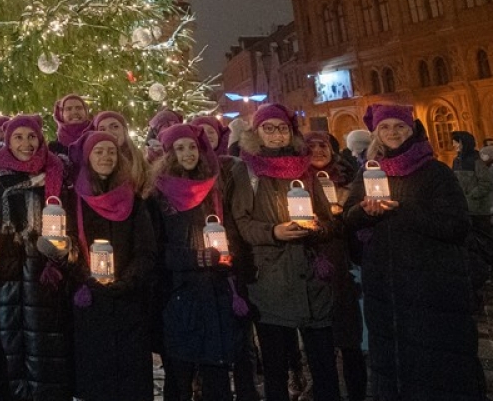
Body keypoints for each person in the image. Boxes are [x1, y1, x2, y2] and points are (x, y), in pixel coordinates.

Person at [342, 104, 482, 400]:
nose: (393, 132)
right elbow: (349, 218)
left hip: (429, 285)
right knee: (391, 361)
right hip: (384, 285)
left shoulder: (435, 171)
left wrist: (402, 211)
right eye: (385, 127)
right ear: (376, 133)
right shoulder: (368, 172)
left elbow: (456, 225)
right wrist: (365, 212)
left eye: (399, 126)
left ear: (412, 130)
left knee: (433, 362)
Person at [229, 104, 343, 401]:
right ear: (257, 133)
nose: (277, 135)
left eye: (282, 128)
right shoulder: (247, 171)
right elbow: (241, 222)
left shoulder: (304, 169)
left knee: (324, 365)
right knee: (276, 367)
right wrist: (273, 233)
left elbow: (328, 220)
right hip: (271, 282)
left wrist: (317, 228)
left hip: (311, 282)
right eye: (270, 128)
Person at [152, 122, 246, 401]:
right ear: (169, 154)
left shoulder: (213, 188)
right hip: (179, 295)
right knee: (180, 377)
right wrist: (198, 258)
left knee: (216, 372)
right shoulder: (158, 195)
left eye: (192, 147)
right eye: (180, 148)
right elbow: (157, 250)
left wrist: (231, 255)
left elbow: (232, 230)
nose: (188, 153)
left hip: (215, 292)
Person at [0, 114, 73, 401]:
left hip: (46, 280)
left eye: (32, 136)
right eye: (18, 137)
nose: (26, 143)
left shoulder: (57, 178)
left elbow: (69, 227)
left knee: (47, 355)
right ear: (7, 141)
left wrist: (61, 252)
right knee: (10, 355)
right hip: (7, 282)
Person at [69, 130, 155, 401]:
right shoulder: (74, 201)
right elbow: (67, 249)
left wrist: (125, 282)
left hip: (128, 303)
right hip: (89, 305)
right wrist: (88, 279)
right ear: (87, 157)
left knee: (131, 382)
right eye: (98, 151)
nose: (106, 157)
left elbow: (146, 251)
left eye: (111, 151)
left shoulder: (134, 201)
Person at [306, 131, 366, 401]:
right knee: (320, 341)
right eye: (312, 147)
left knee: (350, 338)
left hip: (345, 269)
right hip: (313, 267)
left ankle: (357, 391)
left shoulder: (349, 180)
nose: (318, 151)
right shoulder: (298, 184)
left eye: (324, 146)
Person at [451, 130, 493, 287]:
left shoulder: (476, 161)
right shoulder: (456, 161)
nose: (454, 145)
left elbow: (486, 183)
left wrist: (471, 195)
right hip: (463, 208)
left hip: (478, 208)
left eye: (456, 142)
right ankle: (477, 271)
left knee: (485, 240)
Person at [91, 110, 147, 192]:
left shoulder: (140, 160)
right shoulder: (96, 163)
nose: (108, 132)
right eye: (102, 129)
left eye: (115, 127)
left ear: (124, 131)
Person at [50, 93, 91, 167]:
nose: (74, 112)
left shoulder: (98, 139)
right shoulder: (53, 148)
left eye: (79, 108)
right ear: (61, 114)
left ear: (86, 112)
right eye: (68, 109)